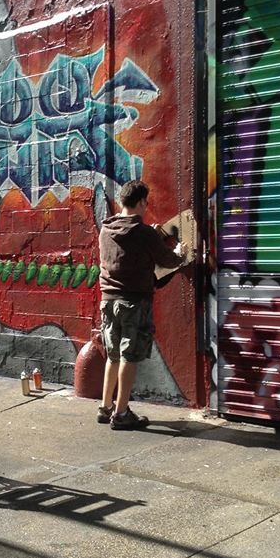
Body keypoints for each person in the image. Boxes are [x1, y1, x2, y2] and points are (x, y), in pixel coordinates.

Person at [98, 179, 187, 430]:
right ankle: (122, 412)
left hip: (108, 301)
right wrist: (180, 251)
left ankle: (105, 408)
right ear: (139, 202)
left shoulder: (106, 229)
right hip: (134, 302)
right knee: (129, 357)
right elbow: (167, 260)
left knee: (113, 355)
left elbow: (125, 255)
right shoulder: (144, 233)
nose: (146, 207)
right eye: (145, 202)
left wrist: (153, 236)